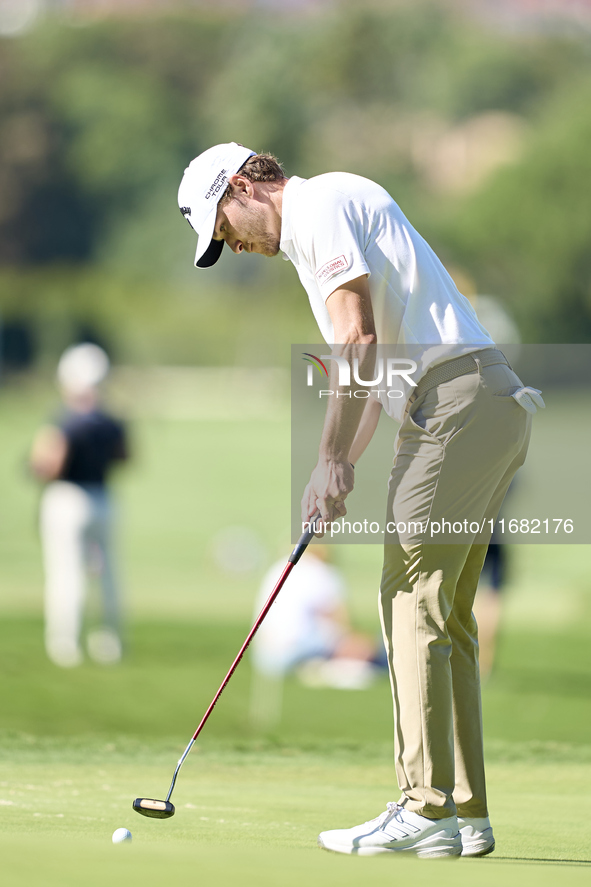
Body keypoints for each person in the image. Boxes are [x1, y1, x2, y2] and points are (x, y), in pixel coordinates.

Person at [177, 143, 543, 858]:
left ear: (246, 182)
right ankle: (462, 813)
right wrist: (336, 468)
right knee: (445, 616)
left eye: (225, 227)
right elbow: (372, 375)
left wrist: (325, 460)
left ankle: (421, 804)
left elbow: (358, 340)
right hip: (484, 401)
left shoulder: (320, 206)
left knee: (407, 601)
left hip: (456, 403)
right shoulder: (321, 233)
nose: (236, 245)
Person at [30, 343, 129, 668]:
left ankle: (65, 645)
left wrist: (34, 465)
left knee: (66, 573)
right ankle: (109, 642)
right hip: (102, 498)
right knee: (108, 574)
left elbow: (50, 465)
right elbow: (126, 456)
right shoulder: (111, 422)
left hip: (67, 499)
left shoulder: (65, 421)